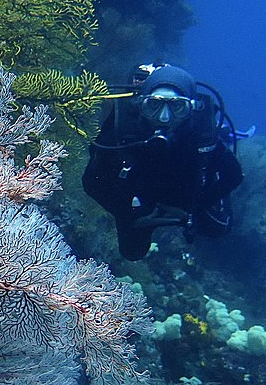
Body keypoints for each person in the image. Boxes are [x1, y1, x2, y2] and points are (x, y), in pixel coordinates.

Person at [82, 63, 244, 261]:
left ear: (191, 109)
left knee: (219, 229)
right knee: (132, 253)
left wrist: (196, 205)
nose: (164, 118)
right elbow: (92, 182)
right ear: (141, 105)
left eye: (177, 106)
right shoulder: (125, 132)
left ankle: (225, 136)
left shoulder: (201, 135)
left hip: (188, 201)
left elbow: (234, 175)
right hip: (140, 204)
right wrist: (129, 211)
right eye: (154, 105)